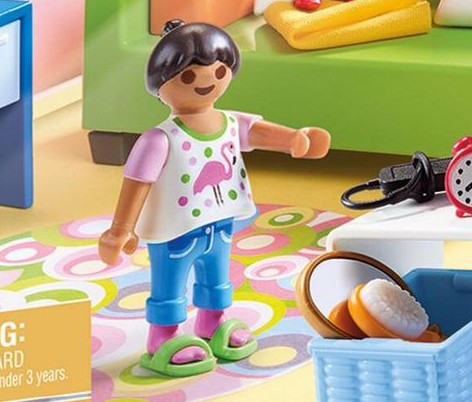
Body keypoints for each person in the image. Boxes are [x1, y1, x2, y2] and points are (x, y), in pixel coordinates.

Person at [98, 20, 330, 379]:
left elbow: (258, 131)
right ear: (161, 84)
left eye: (219, 72)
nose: (206, 82)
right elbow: (136, 183)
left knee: (217, 278)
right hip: (176, 232)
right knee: (169, 285)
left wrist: (294, 140)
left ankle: (213, 321)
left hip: (219, 224)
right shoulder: (160, 139)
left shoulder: (229, 122)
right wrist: (119, 229)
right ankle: (162, 338)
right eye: (188, 77)